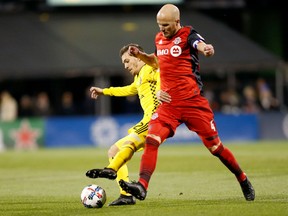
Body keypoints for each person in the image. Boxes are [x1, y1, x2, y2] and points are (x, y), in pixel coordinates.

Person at [118, 4, 255, 201]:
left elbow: (198, 44)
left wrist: (205, 48)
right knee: (152, 140)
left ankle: (242, 178)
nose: (162, 29)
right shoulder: (159, 39)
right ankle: (142, 185)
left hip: (193, 104)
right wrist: (140, 56)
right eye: (159, 25)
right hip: (169, 105)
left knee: (216, 148)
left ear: (177, 22)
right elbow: (156, 62)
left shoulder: (187, 34)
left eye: (166, 25)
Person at [85, 43, 160, 206]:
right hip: (149, 121)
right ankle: (126, 194)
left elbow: (162, 73)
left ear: (136, 56)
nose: (125, 66)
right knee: (113, 150)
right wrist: (104, 91)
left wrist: (164, 90)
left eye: (127, 61)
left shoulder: (149, 68)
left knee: (125, 145)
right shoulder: (139, 77)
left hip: (156, 119)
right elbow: (127, 90)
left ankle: (111, 170)